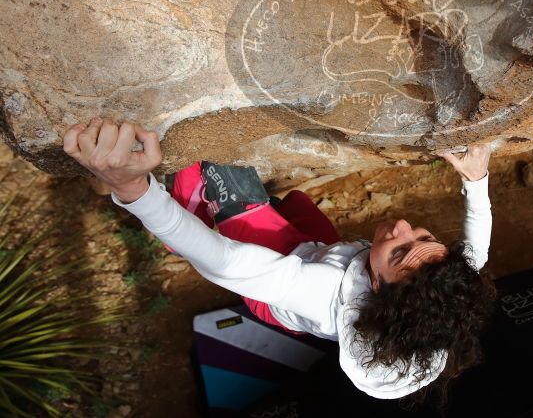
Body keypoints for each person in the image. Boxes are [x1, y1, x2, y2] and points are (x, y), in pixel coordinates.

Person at [62, 118, 496, 401]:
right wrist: (477, 181)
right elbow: (475, 253)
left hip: (284, 278)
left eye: (399, 249)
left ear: (378, 288)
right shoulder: (440, 292)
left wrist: (134, 189)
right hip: (327, 254)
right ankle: (244, 208)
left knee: (220, 166)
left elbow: (226, 263)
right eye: (424, 235)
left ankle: (175, 196)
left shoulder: (315, 290)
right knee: (294, 202)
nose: (403, 225)